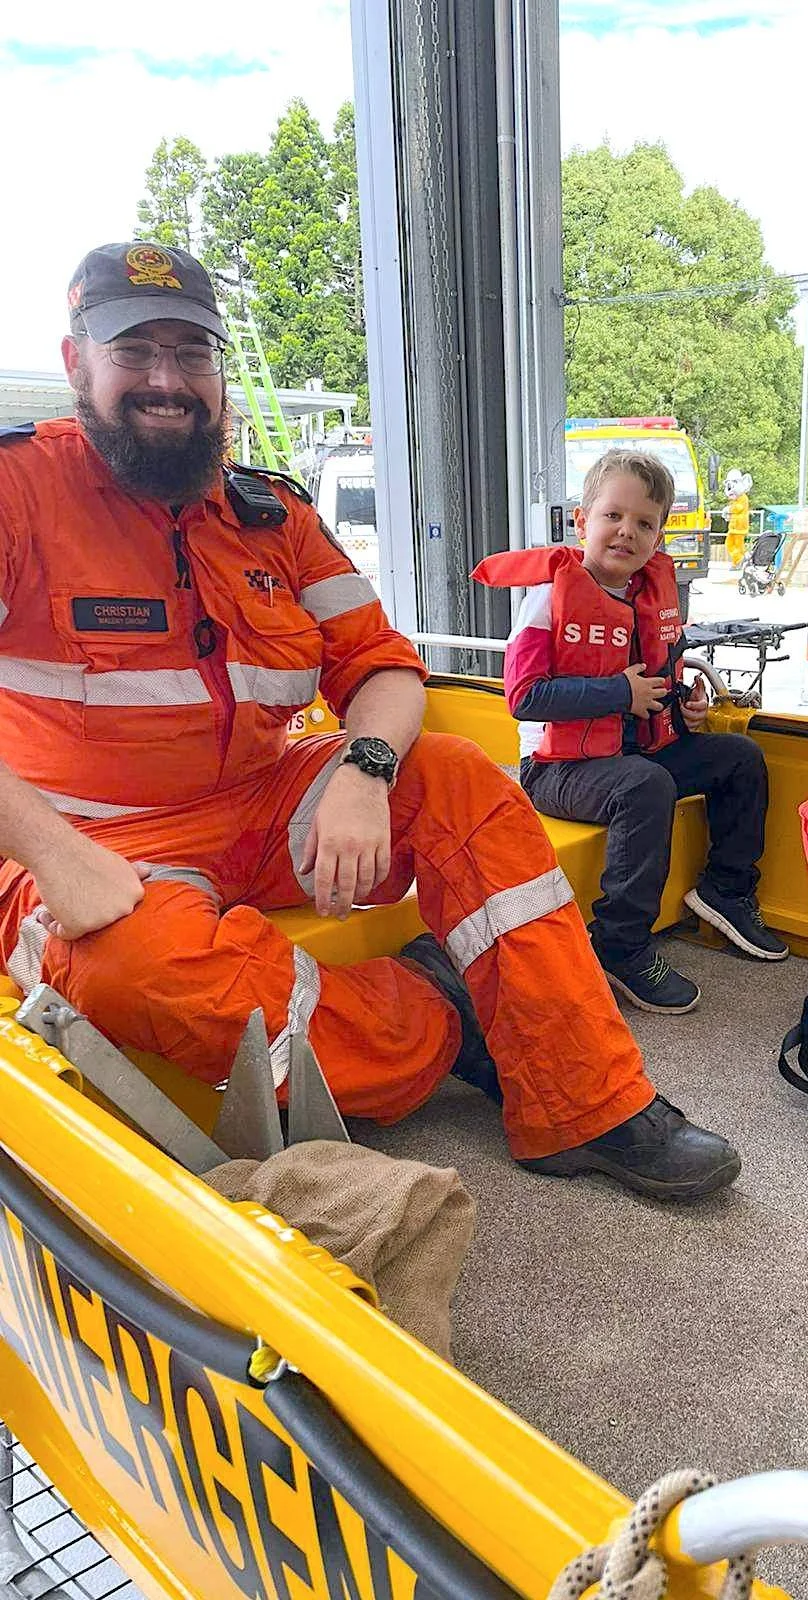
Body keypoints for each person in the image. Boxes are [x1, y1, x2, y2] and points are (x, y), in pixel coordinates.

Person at [0, 240, 740, 1202]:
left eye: (190, 352)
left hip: (262, 802)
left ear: (218, 371)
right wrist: (54, 854)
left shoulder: (274, 516)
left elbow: (383, 666)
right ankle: (441, 1012)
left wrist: (367, 767)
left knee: (459, 777)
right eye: (133, 350)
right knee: (134, 972)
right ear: (76, 364)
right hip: (83, 835)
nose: (166, 381)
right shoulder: (18, 490)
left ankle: (587, 1102)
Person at [475, 449, 788, 1018]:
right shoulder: (547, 598)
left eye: (645, 523)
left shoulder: (652, 596)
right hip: (557, 769)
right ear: (581, 521)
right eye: (613, 516)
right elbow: (524, 698)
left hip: (639, 749)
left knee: (739, 757)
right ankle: (619, 943)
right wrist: (621, 694)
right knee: (645, 785)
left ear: (659, 536)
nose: (627, 532)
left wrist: (685, 704)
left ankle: (726, 890)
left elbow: (660, 677)